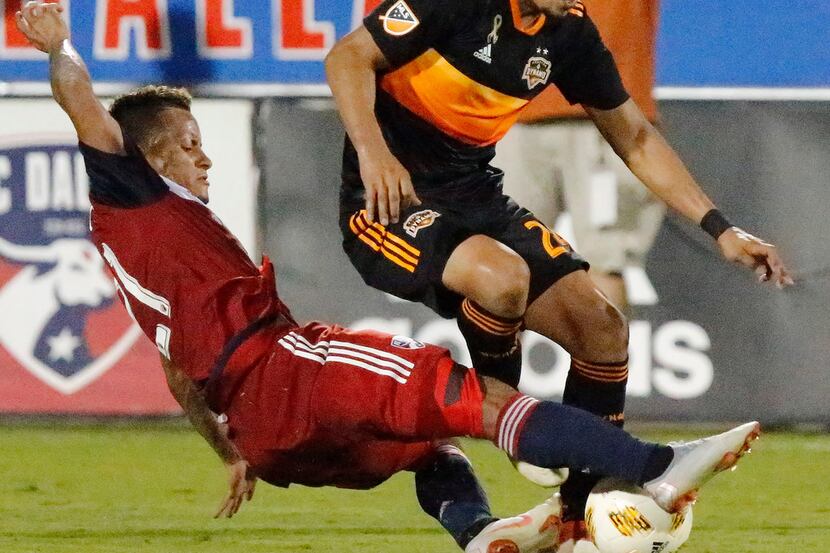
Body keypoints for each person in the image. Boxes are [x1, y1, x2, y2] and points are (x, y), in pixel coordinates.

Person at [16, 2, 762, 552]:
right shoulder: (132, 191)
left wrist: (230, 451)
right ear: (141, 160)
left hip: (261, 428)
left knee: (433, 439)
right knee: (463, 387)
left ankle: (489, 533)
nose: (204, 158)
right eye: (188, 145)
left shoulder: (160, 241)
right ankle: (658, 465)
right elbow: (82, 103)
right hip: (290, 364)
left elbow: (178, 371)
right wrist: (60, 46)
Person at [325, 0, 793, 530]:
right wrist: (373, 153)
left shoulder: (570, 33)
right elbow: (346, 57)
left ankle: (578, 520)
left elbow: (634, 135)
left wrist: (720, 228)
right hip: (389, 205)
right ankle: (513, 415)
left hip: (478, 197)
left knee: (603, 328)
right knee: (502, 279)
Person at [493, 0, 663, 312]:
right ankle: (495, 364)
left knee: (605, 264)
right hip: (510, 112)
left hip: (607, 116)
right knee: (505, 266)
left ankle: (606, 363)